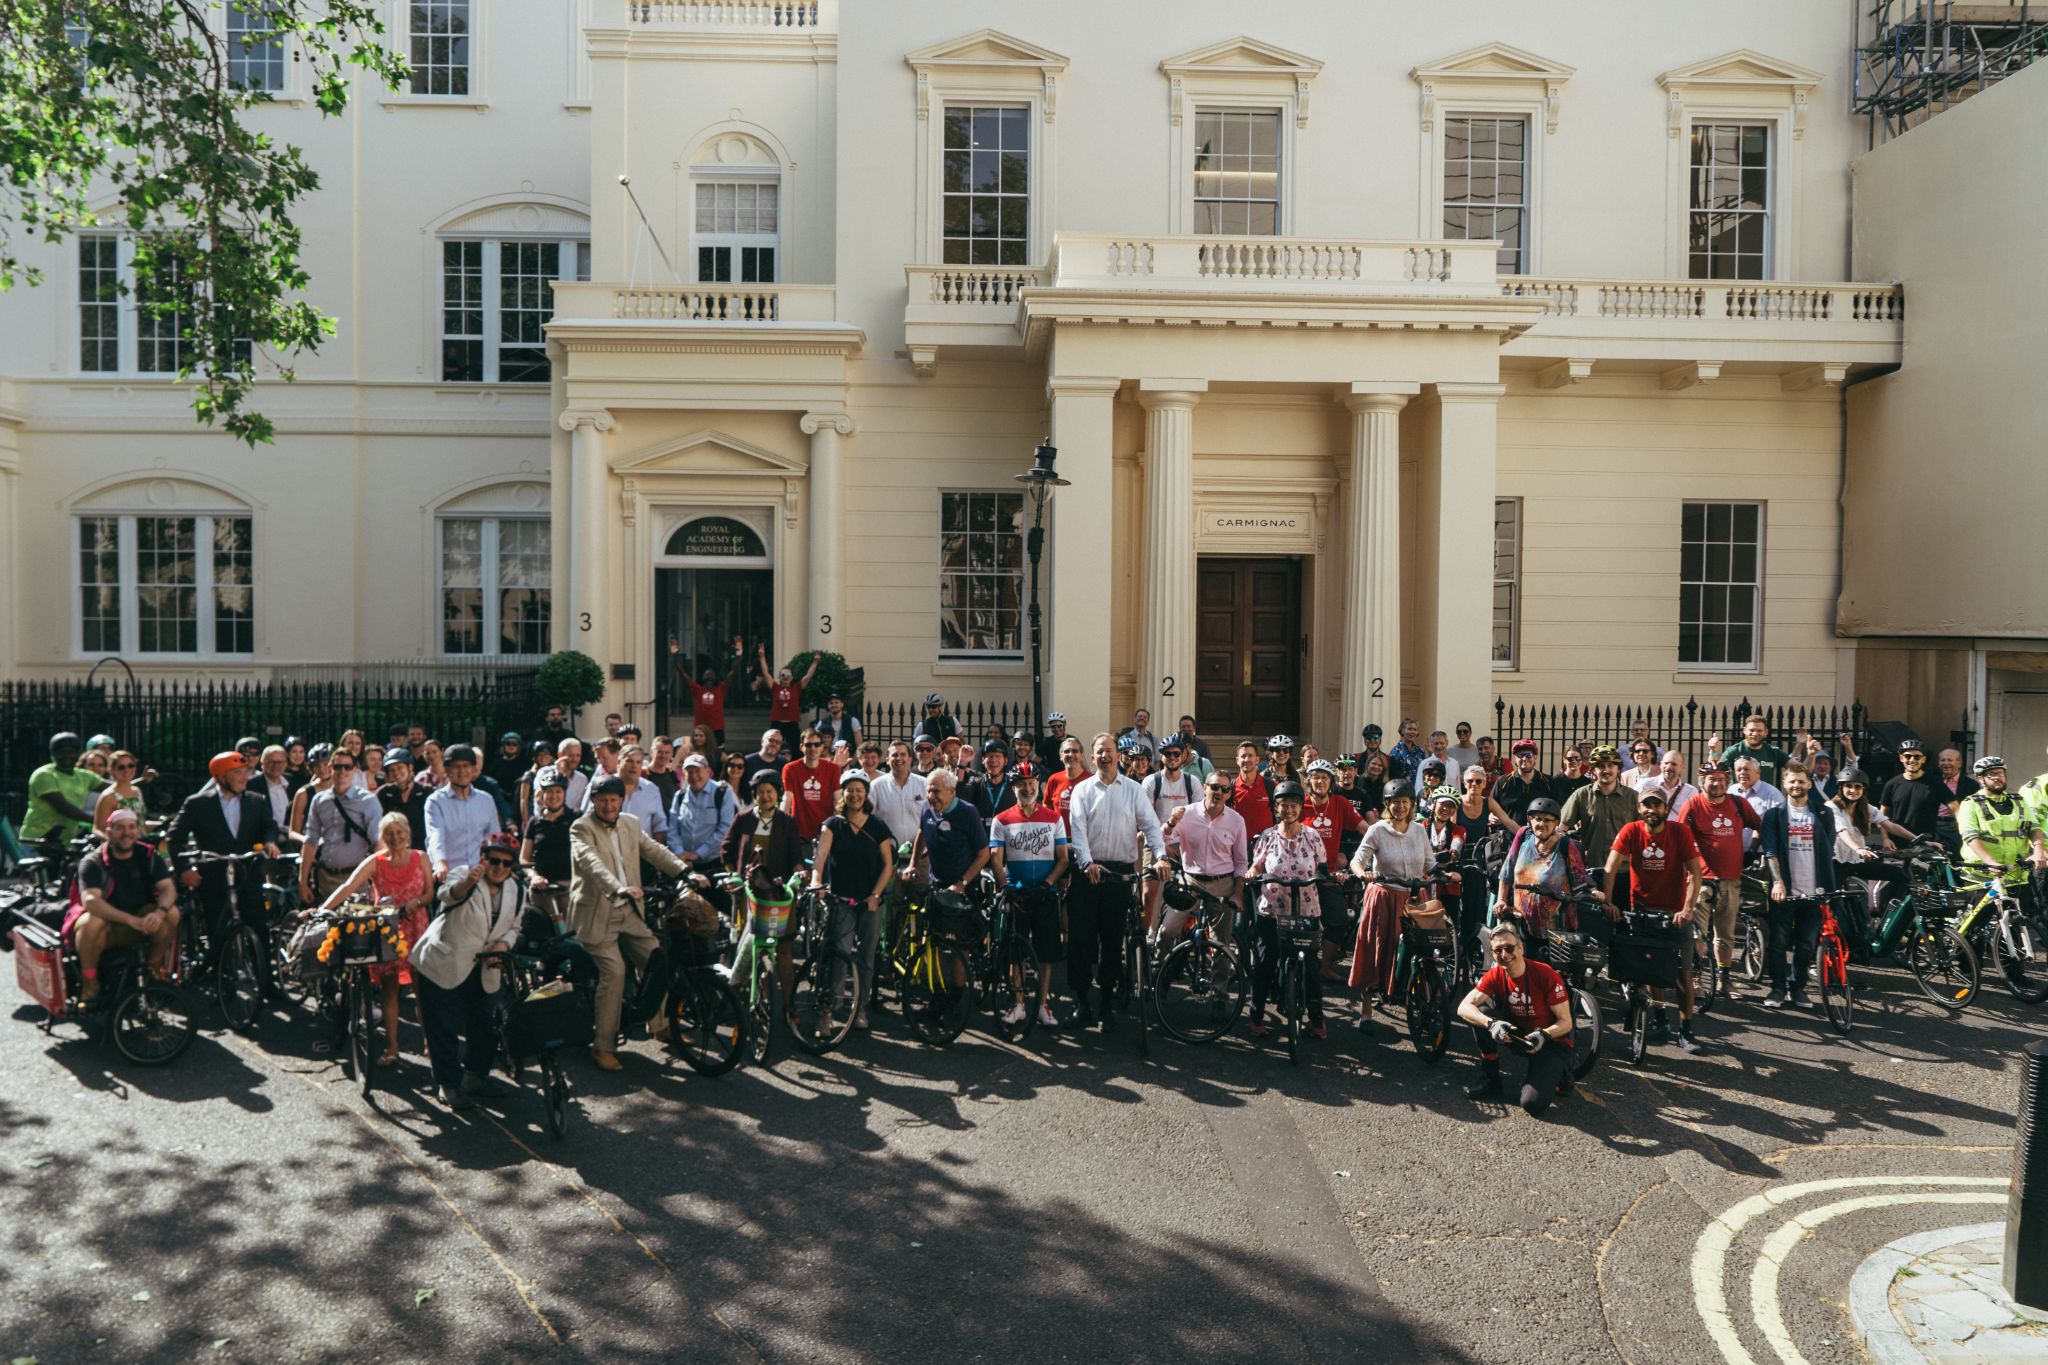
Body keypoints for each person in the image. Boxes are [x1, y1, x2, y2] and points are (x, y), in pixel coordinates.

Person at [571, 773, 688, 1073]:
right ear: (593, 801)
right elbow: (590, 862)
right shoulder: (581, 828)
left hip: (628, 910)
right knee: (615, 973)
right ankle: (603, 1046)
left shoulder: (630, 823)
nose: (609, 806)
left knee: (656, 958)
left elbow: (653, 851)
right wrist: (617, 888)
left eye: (614, 800)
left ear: (622, 801)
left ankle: (660, 1025)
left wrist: (684, 873)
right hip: (598, 912)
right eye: (602, 800)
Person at [411, 832, 525, 1111]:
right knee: (444, 1028)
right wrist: (468, 881)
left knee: (485, 1024)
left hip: (486, 966)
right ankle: (448, 1085)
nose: (499, 868)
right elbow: (446, 895)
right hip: (445, 962)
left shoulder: (517, 889)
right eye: (494, 861)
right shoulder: (464, 874)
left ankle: (475, 1076)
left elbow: (515, 926)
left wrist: (503, 944)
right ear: (483, 859)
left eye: (506, 863)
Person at [1064, 734, 1168, 1030]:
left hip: (1120, 872)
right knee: (1081, 940)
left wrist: (1160, 856)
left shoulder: (1134, 791)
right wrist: (1086, 863)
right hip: (1089, 871)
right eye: (1100, 752)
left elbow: (1150, 826)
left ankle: (1107, 1004)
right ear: (1092, 757)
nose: (1105, 756)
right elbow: (1078, 831)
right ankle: (1082, 1001)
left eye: (1109, 751)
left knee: (1112, 941)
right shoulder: (1082, 790)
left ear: (1117, 755)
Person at [319, 812, 434, 1066]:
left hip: (416, 927)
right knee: (389, 990)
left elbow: (429, 894)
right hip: (387, 930)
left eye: (399, 832)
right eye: (389, 834)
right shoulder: (377, 861)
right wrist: (321, 910)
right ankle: (392, 1048)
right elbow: (348, 886)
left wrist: (416, 902)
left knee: (421, 990)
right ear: (382, 837)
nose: (395, 838)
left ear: (408, 833)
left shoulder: (421, 858)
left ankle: (430, 1042)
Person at [1603, 788, 1707, 1052]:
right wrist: (1608, 901)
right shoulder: (1632, 830)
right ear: (1639, 808)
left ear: (1665, 808)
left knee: (1682, 975)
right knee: (1650, 969)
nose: (1651, 809)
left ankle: (1686, 1031)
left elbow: (1696, 873)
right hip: (1642, 911)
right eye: (1646, 804)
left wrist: (1687, 909)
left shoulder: (1679, 831)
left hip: (1675, 914)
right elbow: (1610, 866)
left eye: (1656, 804)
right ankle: (1660, 1018)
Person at [806, 770, 895, 1033]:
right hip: (841, 899)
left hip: (870, 900)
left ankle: (860, 1007)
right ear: (843, 793)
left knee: (867, 957)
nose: (854, 795)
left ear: (866, 794)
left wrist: (875, 895)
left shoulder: (877, 825)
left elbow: (888, 865)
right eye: (850, 790)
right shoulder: (832, 824)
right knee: (839, 954)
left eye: (859, 790)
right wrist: (816, 881)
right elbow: (820, 859)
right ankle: (828, 1010)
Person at [1458, 921, 1575, 1115]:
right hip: (1519, 1034)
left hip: (1550, 1040)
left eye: (1509, 948)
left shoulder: (1545, 974)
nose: (1504, 955)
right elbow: (1463, 1007)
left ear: (1521, 948)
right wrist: (1492, 1024)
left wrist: (1544, 1034)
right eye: (1497, 950)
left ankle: (1562, 1073)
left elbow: (1566, 1022)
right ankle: (1491, 1078)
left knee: (1532, 1105)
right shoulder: (1495, 974)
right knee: (1481, 1015)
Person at [70, 808, 179, 1005]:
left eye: (131, 827)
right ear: (109, 833)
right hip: (109, 928)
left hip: (142, 923)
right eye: (119, 828)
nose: (126, 833)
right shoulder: (93, 861)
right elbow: (91, 901)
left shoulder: (148, 855)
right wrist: (131, 920)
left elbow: (168, 889)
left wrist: (159, 913)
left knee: (171, 913)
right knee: (90, 921)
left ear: (138, 831)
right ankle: (89, 980)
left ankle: (154, 966)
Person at [1246, 780, 1329, 1038]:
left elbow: (1322, 867)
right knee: (1265, 961)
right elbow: (1257, 866)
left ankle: (1316, 1018)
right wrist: (1252, 872)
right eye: (1284, 805)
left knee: (1312, 968)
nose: (1289, 810)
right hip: (1272, 909)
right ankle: (1257, 1013)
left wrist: (1326, 877)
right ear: (1276, 808)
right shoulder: (1267, 837)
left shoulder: (1313, 836)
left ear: (1300, 808)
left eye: (1293, 805)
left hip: (1306, 910)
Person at [1349, 780, 1433, 1033]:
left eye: (1405, 803)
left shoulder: (1419, 830)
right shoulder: (1377, 830)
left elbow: (1430, 863)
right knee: (1373, 948)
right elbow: (1357, 861)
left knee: (1423, 951)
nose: (1400, 807)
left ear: (1411, 805)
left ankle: (1425, 1003)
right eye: (1395, 802)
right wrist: (1362, 873)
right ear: (1387, 804)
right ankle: (1366, 1011)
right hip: (1384, 897)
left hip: (1415, 898)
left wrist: (1447, 873)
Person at [986, 764, 1067, 1029]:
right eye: (1021, 784)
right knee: (1016, 953)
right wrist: (1004, 885)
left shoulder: (1053, 818)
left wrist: (1048, 883)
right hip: (1017, 894)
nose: (1027, 788)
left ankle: (1043, 1003)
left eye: (1031, 782)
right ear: (1014, 788)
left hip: (1045, 894)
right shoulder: (1002, 819)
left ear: (1039, 785)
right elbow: (996, 860)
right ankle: (1019, 1004)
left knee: (1046, 953)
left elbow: (1063, 859)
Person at [1677, 760, 1761, 997]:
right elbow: (1680, 839)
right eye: (1712, 779)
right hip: (1701, 880)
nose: (1717, 783)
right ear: (1702, 781)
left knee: (1726, 935)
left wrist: (1752, 849)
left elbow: (1759, 825)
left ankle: (1725, 980)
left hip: (1730, 879)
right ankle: (1696, 980)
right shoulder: (1692, 805)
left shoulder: (1738, 803)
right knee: (1696, 934)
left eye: (1722, 779)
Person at [1757, 763, 1838, 1009]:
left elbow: (1828, 847)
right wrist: (1778, 882)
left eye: (1801, 781)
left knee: (1806, 943)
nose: (1796, 785)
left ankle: (1798, 987)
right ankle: (1777, 988)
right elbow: (1770, 851)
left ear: (1809, 784)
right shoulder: (1775, 815)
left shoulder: (1823, 813)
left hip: (1815, 890)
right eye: (1792, 781)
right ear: (1785, 784)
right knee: (1779, 941)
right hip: (1785, 891)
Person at [727, 772, 807, 1010]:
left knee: (783, 949)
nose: (765, 796)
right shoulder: (743, 819)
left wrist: (799, 873)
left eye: (770, 792)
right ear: (755, 794)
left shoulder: (787, 822)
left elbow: (796, 855)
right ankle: (746, 1001)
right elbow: (727, 849)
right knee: (749, 946)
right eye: (761, 792)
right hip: (749, 895)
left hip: (779, 895)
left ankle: (788, 1005)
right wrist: (733, 874)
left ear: (777, 794)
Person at [1164, 769, 1247, 953]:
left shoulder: (1236, 821)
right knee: (1167, 931)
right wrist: (1171, 822)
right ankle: (1162, 977)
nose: (1218, 792)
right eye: (1215, 787)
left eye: (1224, 789)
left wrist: (1237, 894)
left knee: (1221, 944)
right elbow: (1164, 839)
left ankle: (1218, 983)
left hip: (1221, 884)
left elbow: (1241, 863)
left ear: (1228, 794)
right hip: (1189, 882)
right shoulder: (1187, 813)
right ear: (1205, 788)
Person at [1302, 760, 1365, 982]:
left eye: (1325, 777)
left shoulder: (1340, 803)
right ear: (1309, 780)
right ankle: (1300, 966)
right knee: (1301, 924)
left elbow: (1364, 829)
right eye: (1316, 777)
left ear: (1331, 781)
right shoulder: (1300, 804)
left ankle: (1325, 966)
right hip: (1301, 875)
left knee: (1338, 919)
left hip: (1328, 874)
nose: (1320, 781)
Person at [1495, 797, 1590, 941]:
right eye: (1537, 819)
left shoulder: (1566, 845)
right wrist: (1501, 899)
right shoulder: (1523, 836)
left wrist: (1593, 892)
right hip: (1522, 922)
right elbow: (1507, 871)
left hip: (1557, 925)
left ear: (1556, 823)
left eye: (1547, 820)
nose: (1541, 824)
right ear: (1530, 820)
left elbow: (1581, 880)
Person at [1829, 767, 1913, 926]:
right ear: (1841, 788)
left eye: (1858, 787)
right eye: (1849, 786)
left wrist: (1920, 840)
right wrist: (1858, 849)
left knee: (1901, 876)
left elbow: (1890, 825)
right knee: (1833, 904)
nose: (1853, 790)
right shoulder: (1832, 807)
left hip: (1858, 861)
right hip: (1836, 862)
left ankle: (1887, 919)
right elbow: (1841, 831)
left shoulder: (1866, 808)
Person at [1957, 756, 2048, 897]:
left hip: (2016, 876)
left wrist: (2039, 850)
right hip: (1983, 876)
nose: (1996, 778)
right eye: (1991, 774)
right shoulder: (1970, 804)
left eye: (2000, 773)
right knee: (1980, 918)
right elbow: (1970, 836)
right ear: (1981, 779)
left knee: (2022, 917)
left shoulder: (2018, 802)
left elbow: (2034, 828)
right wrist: (1990, 862)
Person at [300, 749, 382, 905]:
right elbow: (310, 841)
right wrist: (303, 882)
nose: (342, 771)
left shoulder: (368, 801)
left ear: (355, 769)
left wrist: (376, 883)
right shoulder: (319, 800)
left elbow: (378, 844)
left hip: (357, 879)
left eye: (347, 767)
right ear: (330, 767)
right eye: (337, 766)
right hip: (325, 879)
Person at [425, 744, 500, 882]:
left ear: (473, 769)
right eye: (456, 766)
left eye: (466, 766)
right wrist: (440, 863)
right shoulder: (436, 801)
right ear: (447, 769)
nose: (462, 771)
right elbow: (435, 835)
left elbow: (494, 837)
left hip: (481, 875)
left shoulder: (486, 800)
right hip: (450, 875)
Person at [22, 732, 103, 853]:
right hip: (38, 840)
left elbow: (116, 787)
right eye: (61, 752)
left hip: (65, 842)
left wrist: (141, 781)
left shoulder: (84, 776)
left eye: (71, 752)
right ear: (53, 754)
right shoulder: (44, 774)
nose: (67, 756)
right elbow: (64, 808)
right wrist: (98, 820)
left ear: (77, 754)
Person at [521, 768, 576, 924]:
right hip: (542, 888)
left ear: (564, 794)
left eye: (558, 791)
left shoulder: (575, 819)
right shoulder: (535, 822)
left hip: (569, 887)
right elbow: (524, 858)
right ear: (542, 794)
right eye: (549, 792)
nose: (554, 796)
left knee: (571, 934)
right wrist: (534, 876)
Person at [591, 745, 667, 845]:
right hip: (608, 850)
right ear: (618, 762)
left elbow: (659, 825)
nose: (634, 766)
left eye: (638, 762)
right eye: (629, 761)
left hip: (642, 852)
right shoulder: (601, 785)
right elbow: (588, 818)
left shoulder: (652, 790)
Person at [780, 728, 841, 844]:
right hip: (798, 832)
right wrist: (782, 826)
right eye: (808, 745)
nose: (812, 748)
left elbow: (838, 800)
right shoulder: (790, 769)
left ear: (822, 747)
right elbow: (787, 799)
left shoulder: (833, 768)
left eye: (816, 744)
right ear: (801, 747)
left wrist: (839, 828)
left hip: (825, 831)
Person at [1879, 740, 1946, 843]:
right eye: (1907, 756)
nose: (1912, 760)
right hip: (1896, 844)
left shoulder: (1935, 784)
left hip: (1927, 843)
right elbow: (1882, 815)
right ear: (1901, 758)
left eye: (1917, 757)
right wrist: (1885, 838)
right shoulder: (1891, 784)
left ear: (1923, 759)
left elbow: (1955, 808)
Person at [758, 646, 820, 753]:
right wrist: (762, 656)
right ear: (779, 677)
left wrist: (815, 661)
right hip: (777, 723)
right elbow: (766, 673)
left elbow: (808, 676)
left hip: (792, 724)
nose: (785, 677)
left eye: (788, 675)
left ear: (792, 677)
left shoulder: (796, 688)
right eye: (783, 674)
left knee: (796, 749)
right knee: (773, 748)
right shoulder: (775, 687)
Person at [1492, 740, 1559, 827]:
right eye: (1520, 755)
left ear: (1535, 757)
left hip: (1540, 835)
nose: (1524, 758)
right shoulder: (1503, 781)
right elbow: (1491, 805)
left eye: (1529, 755)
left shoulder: (1548, 781)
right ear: (1515, 758)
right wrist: (1491, 815)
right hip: (1508, 835)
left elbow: (1558, 807)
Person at [1719, 714, 1792, 789]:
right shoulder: (1734, 751)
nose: (1755, 734)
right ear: (1744, 730)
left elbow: (1797, 768)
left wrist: (1801, 746)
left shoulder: (1773, 751)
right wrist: (1713, 751)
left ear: (1766, 732)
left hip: (1765, 798)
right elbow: (1717, 770)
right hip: (1740, 797)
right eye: (1752, 730)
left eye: (1759, 730)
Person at [378, 748, 429, 852]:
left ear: (410, 767)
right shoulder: (384, 793)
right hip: (394, 852)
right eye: (392, 770)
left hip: (421, 851)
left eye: (399, 767)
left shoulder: (426, 792)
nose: (396, 773)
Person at [92, 750, 149, 834]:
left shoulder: (137, 791)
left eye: (130, 765)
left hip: (141, 843)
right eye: (121, 767)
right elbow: (98, 830)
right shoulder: (108, 796)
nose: (127, 770)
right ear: (112, 770)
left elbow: (140, 823)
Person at [960, 739, 1019, 820]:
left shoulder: (1014, 784)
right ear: (983, 760)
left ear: (1005, 761)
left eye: (998, 756)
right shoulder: (976, 783)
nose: (994, 760)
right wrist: (962, 762)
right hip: (982, 832)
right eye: (990, 756)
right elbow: (959, 798)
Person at [1934, 748, 1980, 854]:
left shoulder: (1971, 785)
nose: (1946, 763)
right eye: (1943, 760)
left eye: (1950, 760)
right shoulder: (1933, 781)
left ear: (1959, 763)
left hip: (1955, 826)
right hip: (1934, 825)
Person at [1229, 741, 1277, 841]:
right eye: (1243, 756)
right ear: (1237, 760)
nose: (1246, 759)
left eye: (1250, 755)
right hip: (1238, 846)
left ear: (1257, 760)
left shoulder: (1271, 786)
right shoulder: (1230, 787)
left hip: (1266, 847)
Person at [486, 731, 527, 796]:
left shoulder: (524, 764)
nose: (511, 746)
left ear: (518, 747)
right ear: (503, 746)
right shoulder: (495, 764)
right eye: (508, 743)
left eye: (514, 744)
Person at [1387, 718, 1427, 783]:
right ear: (1402, 731)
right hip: (1402, 789)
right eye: (1409, 729)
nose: (1413, 732)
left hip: (1419, 789)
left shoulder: (1420, 751)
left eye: (1415, 730)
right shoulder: (1395, 752)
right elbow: (1392, 776)